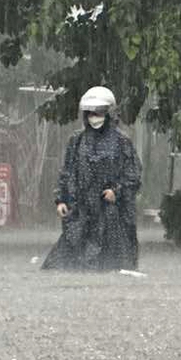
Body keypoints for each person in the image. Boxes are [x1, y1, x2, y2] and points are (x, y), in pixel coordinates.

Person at [43, 85, 142, 271]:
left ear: (108, 113)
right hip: (83, 209)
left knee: (110, 255)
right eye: (90, 113)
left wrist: (116, 191)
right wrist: (61, 200)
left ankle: (109, 269)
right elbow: (67, 172)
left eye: (99, 113)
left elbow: (133, 174)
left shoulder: (122, 142)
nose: (94, 117)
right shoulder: (77, 141)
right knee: (72, 253)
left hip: (110, 210)